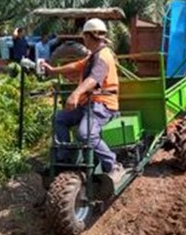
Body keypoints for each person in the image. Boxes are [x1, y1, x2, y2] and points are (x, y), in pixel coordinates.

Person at [40, 18, 123, 181]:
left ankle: (113, 164)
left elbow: (93, 79)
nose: (83, 40)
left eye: (84, 36)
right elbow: (76, 66)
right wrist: (53, 70)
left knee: (85, 134)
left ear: (89, 36)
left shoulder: (103, 57)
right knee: (59, 118)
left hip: (103, 105)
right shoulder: (94, 55)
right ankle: (64, 159)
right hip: (89, 104)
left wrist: (76, 94)